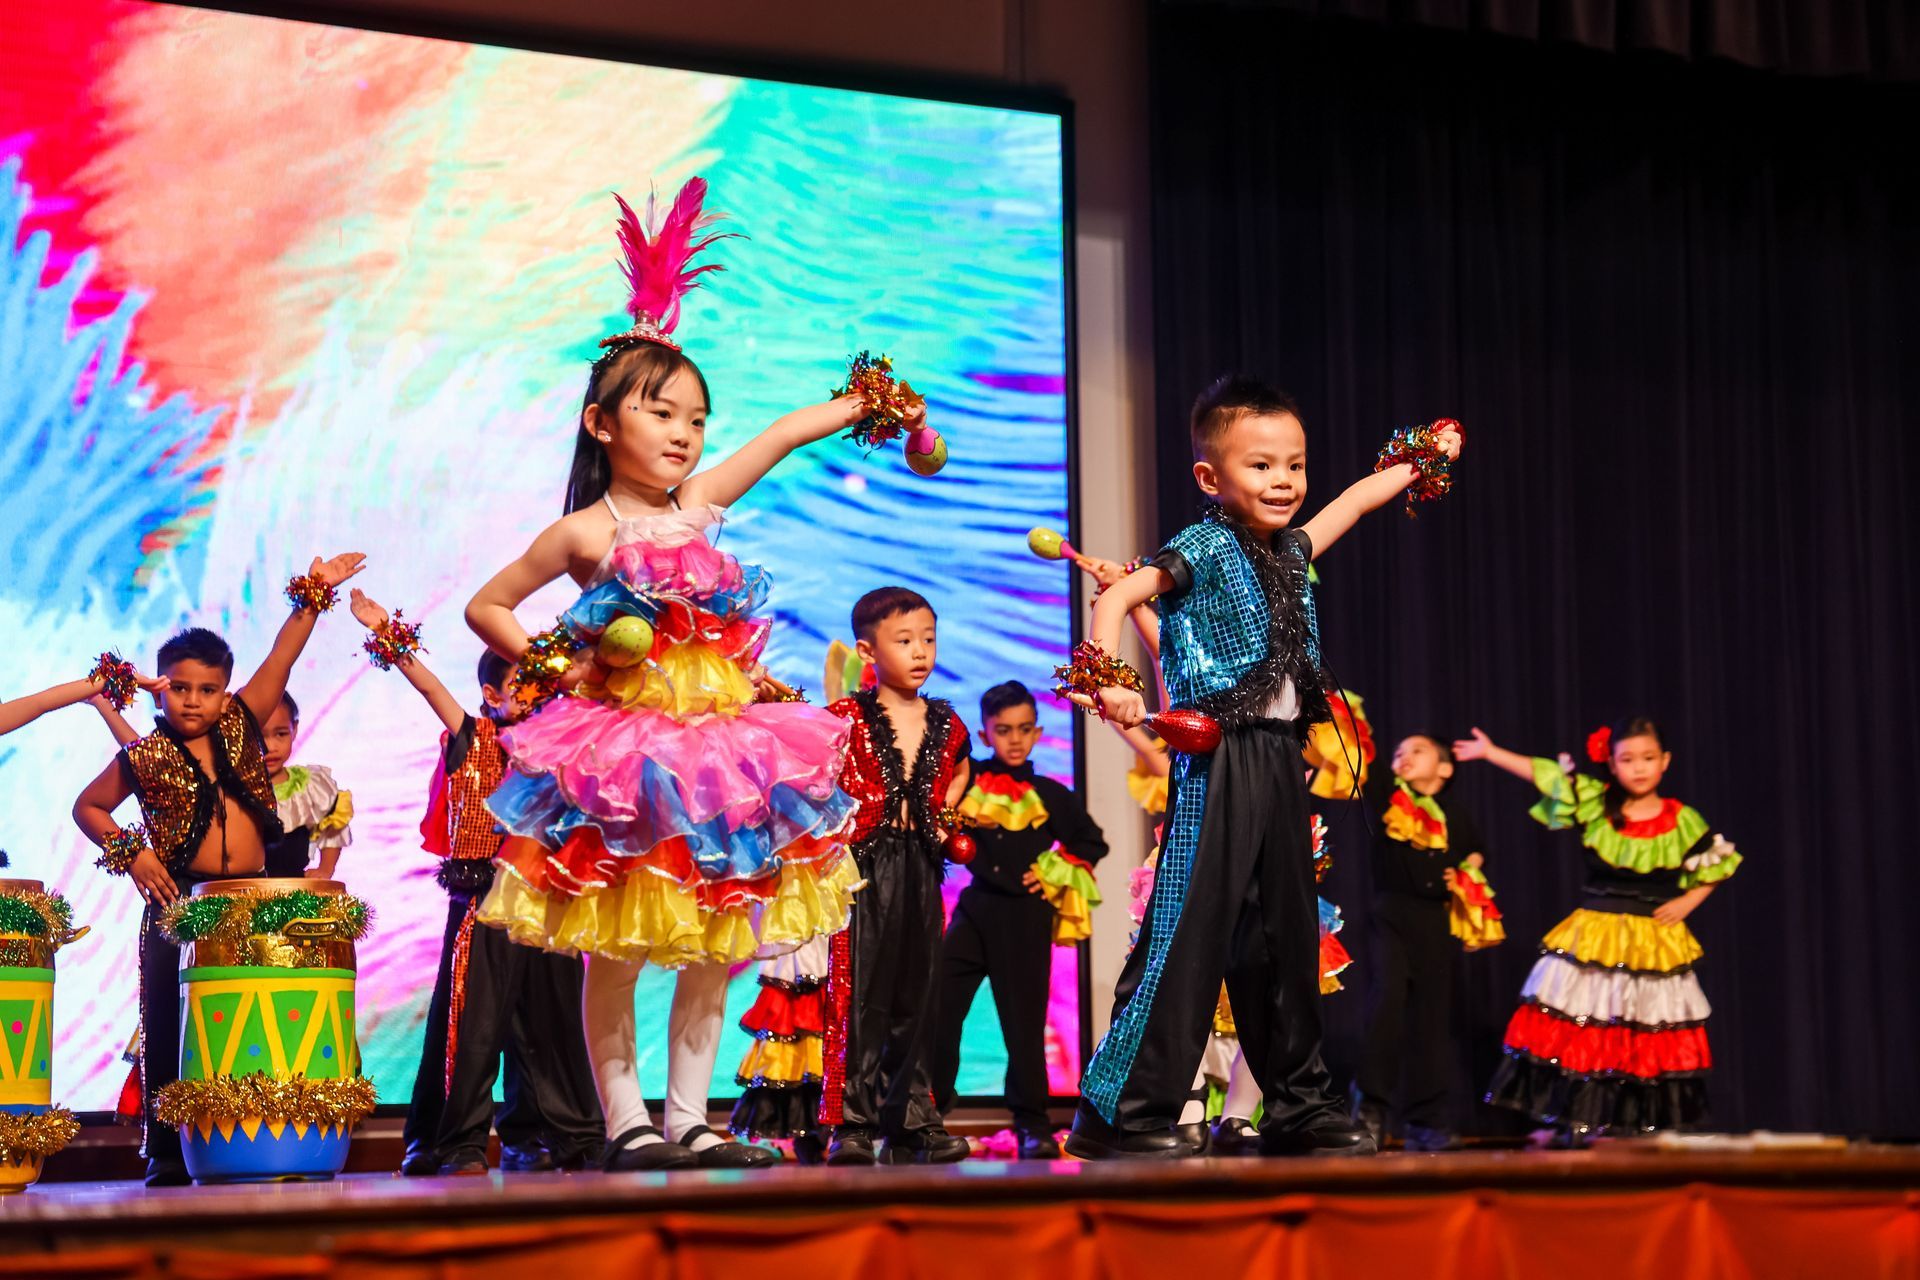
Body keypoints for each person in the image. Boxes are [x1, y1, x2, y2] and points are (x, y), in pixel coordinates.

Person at [466, 178, 891, 1170]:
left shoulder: (699, 505)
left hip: (720, 757)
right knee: (614, 946)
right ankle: (625, 1120)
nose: (685, 432)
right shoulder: (584, 530)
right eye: (663, 412)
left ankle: (692, 1115)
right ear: (601, 422)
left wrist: (862, 403)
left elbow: (781, 436)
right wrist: (557, 661)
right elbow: (488, 602)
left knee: (719, 935)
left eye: (695, 416)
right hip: (621, 757)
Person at [1063, 377, 1462, 1159]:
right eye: (1262, 467)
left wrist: (1420, 462)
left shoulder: (1290, 549)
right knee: (1189, 927)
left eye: (1294, 465)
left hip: (1280, 758)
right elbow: (1116, 603)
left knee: (1284, 935)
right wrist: (1110, 679)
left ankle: (1298, 1104)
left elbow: (1349, 503)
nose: (1283, 482)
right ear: (1212, 477)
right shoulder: (1202, 547)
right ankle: (1122, 1110)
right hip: (1218, 757)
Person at [71, 553, 366, 1185]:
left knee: (255, 1017)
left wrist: (313, 595)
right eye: (179, 688)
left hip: (252, 899)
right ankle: (169, 1153)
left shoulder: (242, 724)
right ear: (161, 685)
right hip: (177, 903)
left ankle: (271, 1136)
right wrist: (134, 853)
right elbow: (88, 807)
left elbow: (280, 658)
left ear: (226, 692)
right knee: (166, 1022)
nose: (193, 701)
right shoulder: (145, 755)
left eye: (207, 690)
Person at [351, 590, 606, 1176]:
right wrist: (383, 625)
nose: (539, 695)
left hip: (547, 902)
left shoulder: (559, 751)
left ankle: (555, 1137)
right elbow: (431, 687)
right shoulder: (474, 737)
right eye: (525, 683)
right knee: (471, 1023)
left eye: (546, 685)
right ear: (492, 695)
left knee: (553, 1024)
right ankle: (454, 1142)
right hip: (484, 901)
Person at [1454, 717, 1738, 1143]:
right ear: (1613, 763)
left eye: (1647, 758)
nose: (1638, 768)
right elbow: (1545, 776)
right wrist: (1492, 752)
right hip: (1596, 932)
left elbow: (1718, 864)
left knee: (1644, 1030)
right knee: (1587, 1027)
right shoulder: (1597, 803)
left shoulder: (1682, 820)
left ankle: (1641, 1124)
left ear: (1665, 762)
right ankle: (1578, 1120)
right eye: (1627, 759)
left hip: (1653, 939)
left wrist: (1686, 901)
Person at [816, 587, 973, 1166]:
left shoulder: (947, 721)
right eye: (904, 640)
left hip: (920, 865)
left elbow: (960, 769)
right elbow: (817, 783)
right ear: (867, 650)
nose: (920, 651)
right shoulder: (845, 719)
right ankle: (850, 1122)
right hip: (862, 866)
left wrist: (944, 818)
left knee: (920, 992)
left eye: (928, 639)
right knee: (860, 993)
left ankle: (914, 1118)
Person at [928, 679, 1107, 1159]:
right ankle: (928, 1117)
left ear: (1037, 733)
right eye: (1003, 730)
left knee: (1024, 1028)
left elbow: (1091, 841)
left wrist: (1053, 871)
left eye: (1024, 729)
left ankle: (1032, 1125)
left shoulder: (1049, 793)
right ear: (986, 735)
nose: (1014, 739)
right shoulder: (969, 783)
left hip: (1026, 918)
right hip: (977, 909)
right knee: (941, 1015)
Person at [1338, 732, 1489, 1153]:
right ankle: (1370, 1107)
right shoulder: (1390, 795)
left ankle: (1427, 1119)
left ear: (1445, 768)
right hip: (1392, 915)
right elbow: (1364, 752)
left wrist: (1465, 872)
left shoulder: (1455, 816)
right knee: (1386, 1001)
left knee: (1431, 1020)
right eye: (1400, 750)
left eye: (1417, 751)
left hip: (1436, 921)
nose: (1405, 756)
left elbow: (1477, 851)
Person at [259, 693, 354, 880]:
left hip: (295, 890)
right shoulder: (231, 788)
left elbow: (332, 826)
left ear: (294, 729)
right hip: (240, 892)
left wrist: (325, 869)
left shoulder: (310, 788)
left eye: (281, 734)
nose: (270, 746)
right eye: (259, 736)